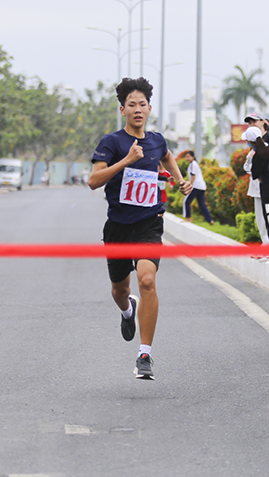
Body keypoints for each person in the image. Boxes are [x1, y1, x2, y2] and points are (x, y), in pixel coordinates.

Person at [89, 77, 191, 380]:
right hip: (118, 227)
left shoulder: (157, 140)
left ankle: (144, 354)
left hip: (148, 224)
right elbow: (94, 181)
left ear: (149, 109)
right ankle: (126, 310)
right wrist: (126, 161)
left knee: (147, 281)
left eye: (142, 104)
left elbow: (167, 156)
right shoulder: (112, 142)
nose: (137, 109)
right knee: (120, 290)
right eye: (131, 104)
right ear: (123, 109)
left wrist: (179, 178)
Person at [182, 150, 214, 224]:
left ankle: (188, 218)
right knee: (202, 204)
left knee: (187, 201)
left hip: (196, 186)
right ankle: (210, 220)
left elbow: (193, 175)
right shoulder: (193, 164)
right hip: (201, 187)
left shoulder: (193, 164)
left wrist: (189, 185)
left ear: (193, 157)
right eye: (186, 157)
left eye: (188, 157)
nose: (187, 159)